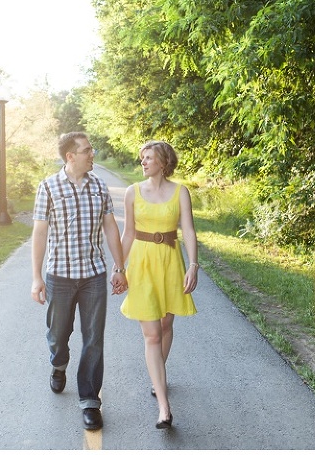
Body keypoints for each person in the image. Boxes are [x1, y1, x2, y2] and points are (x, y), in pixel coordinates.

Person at [31, 132, 127, 431]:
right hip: (59, 275)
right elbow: (40, 233)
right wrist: (36, 277)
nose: (92, 154)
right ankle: (59, 364)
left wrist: (120, 267)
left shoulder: (98, 185)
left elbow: (110, 227)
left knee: (93, 338)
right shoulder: (48, 186)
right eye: (87, 150)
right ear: (70, 156)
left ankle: (90, 401)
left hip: (93, 275)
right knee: (58, 334)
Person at [119, 140, 198, 429]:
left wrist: (193, 265)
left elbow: (188, 230)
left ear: (163, 162)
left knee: (165, 326)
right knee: (152, 335)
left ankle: (158, 378)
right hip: (141, 264)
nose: (143, 162)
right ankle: (164, 407)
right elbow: (128, 234)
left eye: (149, 157)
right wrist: (119, 268)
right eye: (142, 158)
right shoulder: (132, 192)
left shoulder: (180, 192)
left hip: (170, 263)